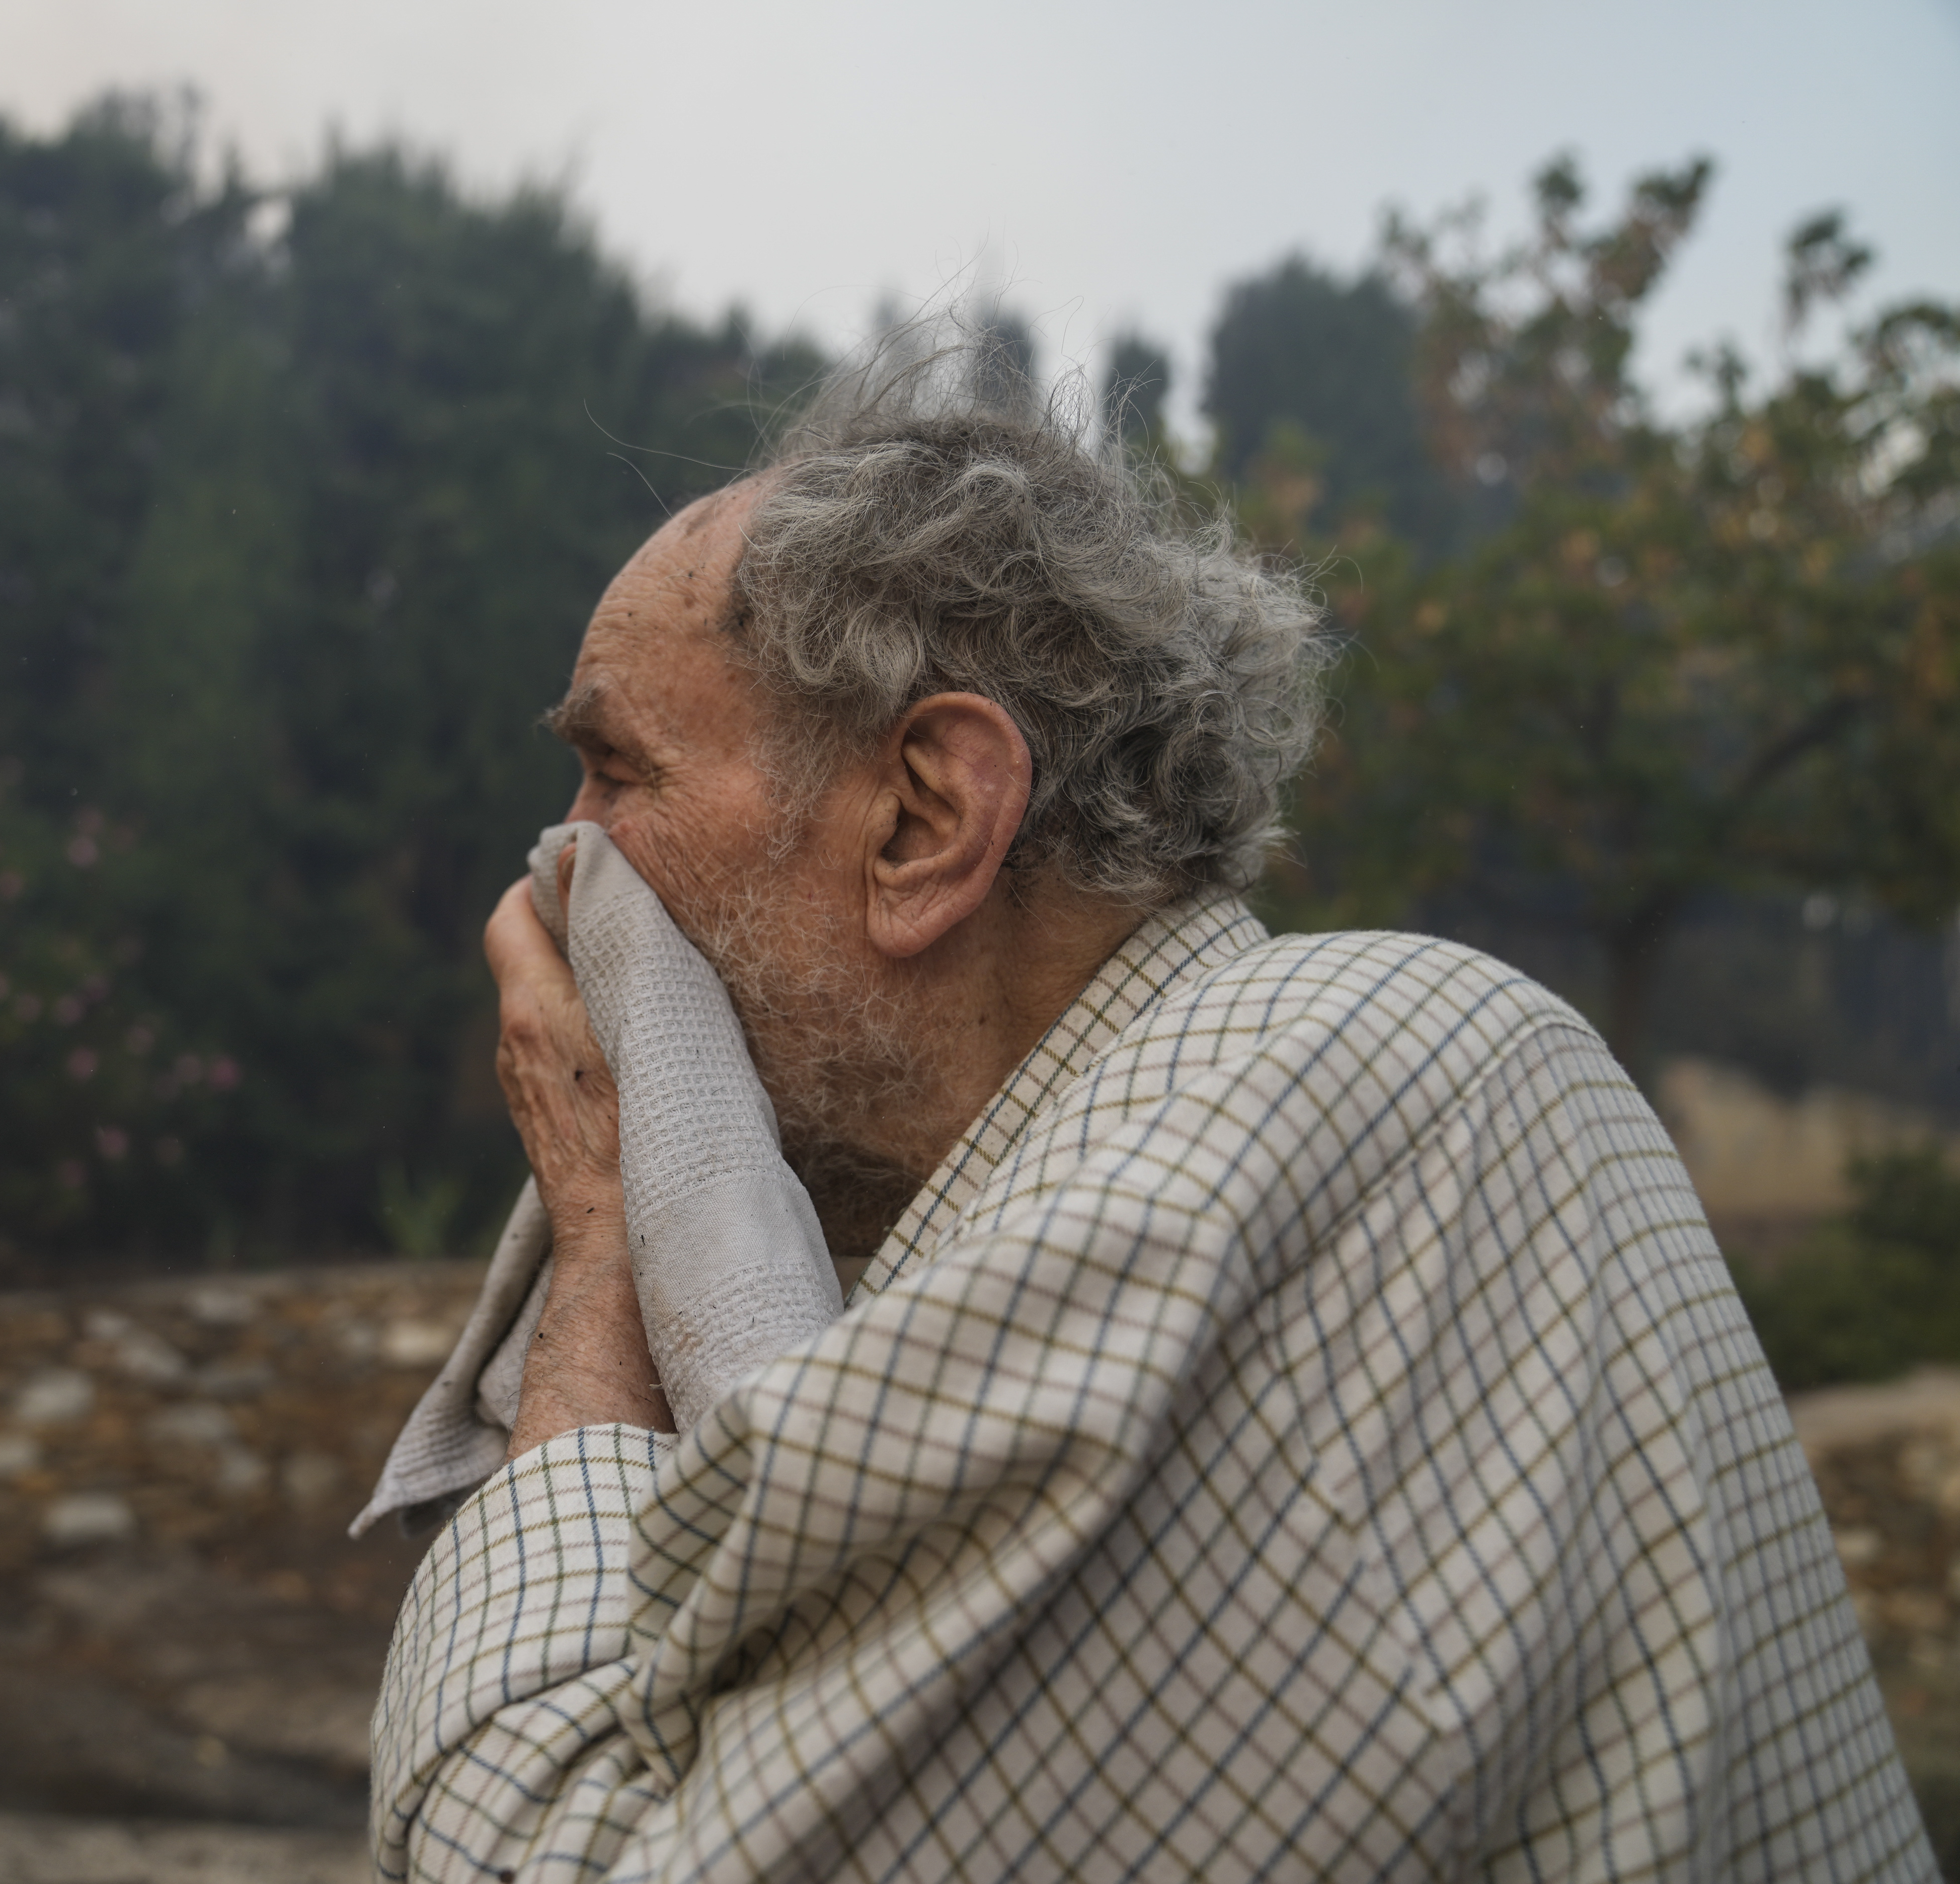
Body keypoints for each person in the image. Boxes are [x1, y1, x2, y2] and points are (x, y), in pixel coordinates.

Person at [366, 347, 1932, 1882]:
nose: (558, 876)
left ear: (925, 816)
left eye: (614, 775)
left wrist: (601, 1245)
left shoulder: (1254, 1148)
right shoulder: (1312, 1091)